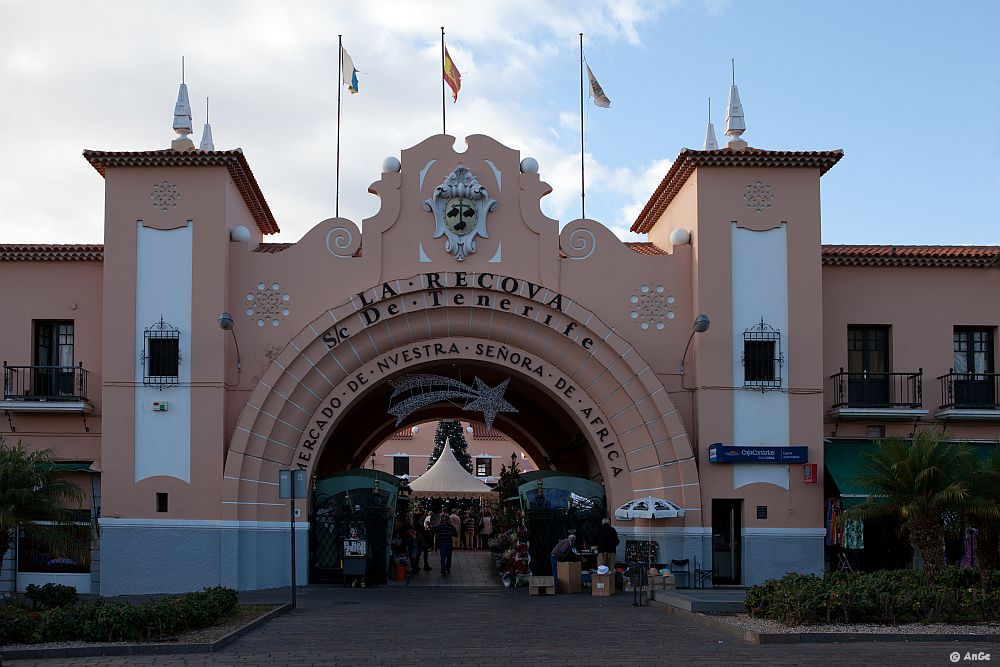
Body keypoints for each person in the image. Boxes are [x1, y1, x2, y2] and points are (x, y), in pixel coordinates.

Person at [436, 509, 458, 575]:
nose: (444, 521)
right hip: (446, 543)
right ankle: (445, 568)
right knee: (446, 557)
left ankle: (445, 568)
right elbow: (456, 534)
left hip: (445, 543)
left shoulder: (440, 527)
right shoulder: (450, 527)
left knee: (445, 557)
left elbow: (455, 534)